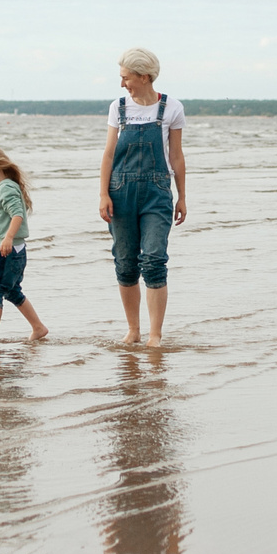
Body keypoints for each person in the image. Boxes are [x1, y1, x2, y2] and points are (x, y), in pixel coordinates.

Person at [97, 47, 186, 347]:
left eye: (126, 77)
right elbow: (109, 155)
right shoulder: (117, 108)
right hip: (120, 193)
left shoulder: (171, 108)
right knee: (125, 263)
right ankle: (133, 330)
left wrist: (182, 197)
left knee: (154, 259)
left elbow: (176, 156)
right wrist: (103, 195)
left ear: (144, 76)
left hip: (157, 193)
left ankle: (155, 335)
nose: (123, 84)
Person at [0, 144, 48, 350]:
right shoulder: (0, 189)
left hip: (9, 250)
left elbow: (17, 216)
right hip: (9, 248)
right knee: (11, 290)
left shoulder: (6, 188)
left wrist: (8, 239)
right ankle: (38, 327)